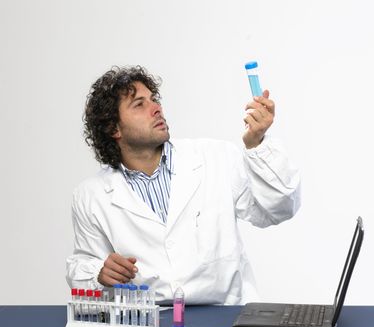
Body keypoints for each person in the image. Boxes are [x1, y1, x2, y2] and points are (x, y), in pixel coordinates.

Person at [66, 65, 301, 305]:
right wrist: (98, 274)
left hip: (225, 318)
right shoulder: (90, 196)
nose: (156, 108)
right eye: (139, 104)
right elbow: (83, 266)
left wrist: (257, 143)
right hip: (150, 324)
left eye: (154, 99)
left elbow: (279, 209)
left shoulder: (216, 157)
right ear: (113, 128)